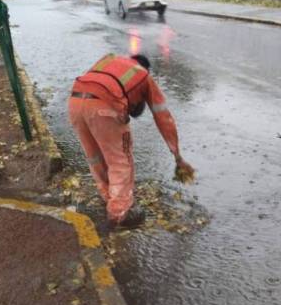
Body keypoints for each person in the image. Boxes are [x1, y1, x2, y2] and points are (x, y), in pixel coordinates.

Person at [68, 53, 194, 228]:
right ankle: (118, 214)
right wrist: (177, 154)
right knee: (121, 161)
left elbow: (98, 85)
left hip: (75, 102)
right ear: (146, 68)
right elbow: (163, 117)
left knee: (94, 155)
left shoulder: (109, 59)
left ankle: (107, 196)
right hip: (106, 108)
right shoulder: (144, 75)